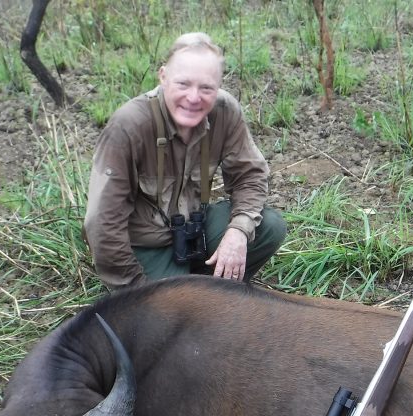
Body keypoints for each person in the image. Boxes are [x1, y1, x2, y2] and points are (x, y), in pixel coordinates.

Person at [83, 32, 287, 290]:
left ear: (218, 86)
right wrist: (136, 293)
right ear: (163, 76)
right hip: (145, 244)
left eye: (206, 88)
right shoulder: (129, 126)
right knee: (171, 318)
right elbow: (102, 224)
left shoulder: (225, 111)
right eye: (183, 84)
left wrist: (238, 232)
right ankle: (186, 291)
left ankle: (213, 288)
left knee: (269, 227)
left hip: (193, 231)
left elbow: (250, 176)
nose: (193, 98)